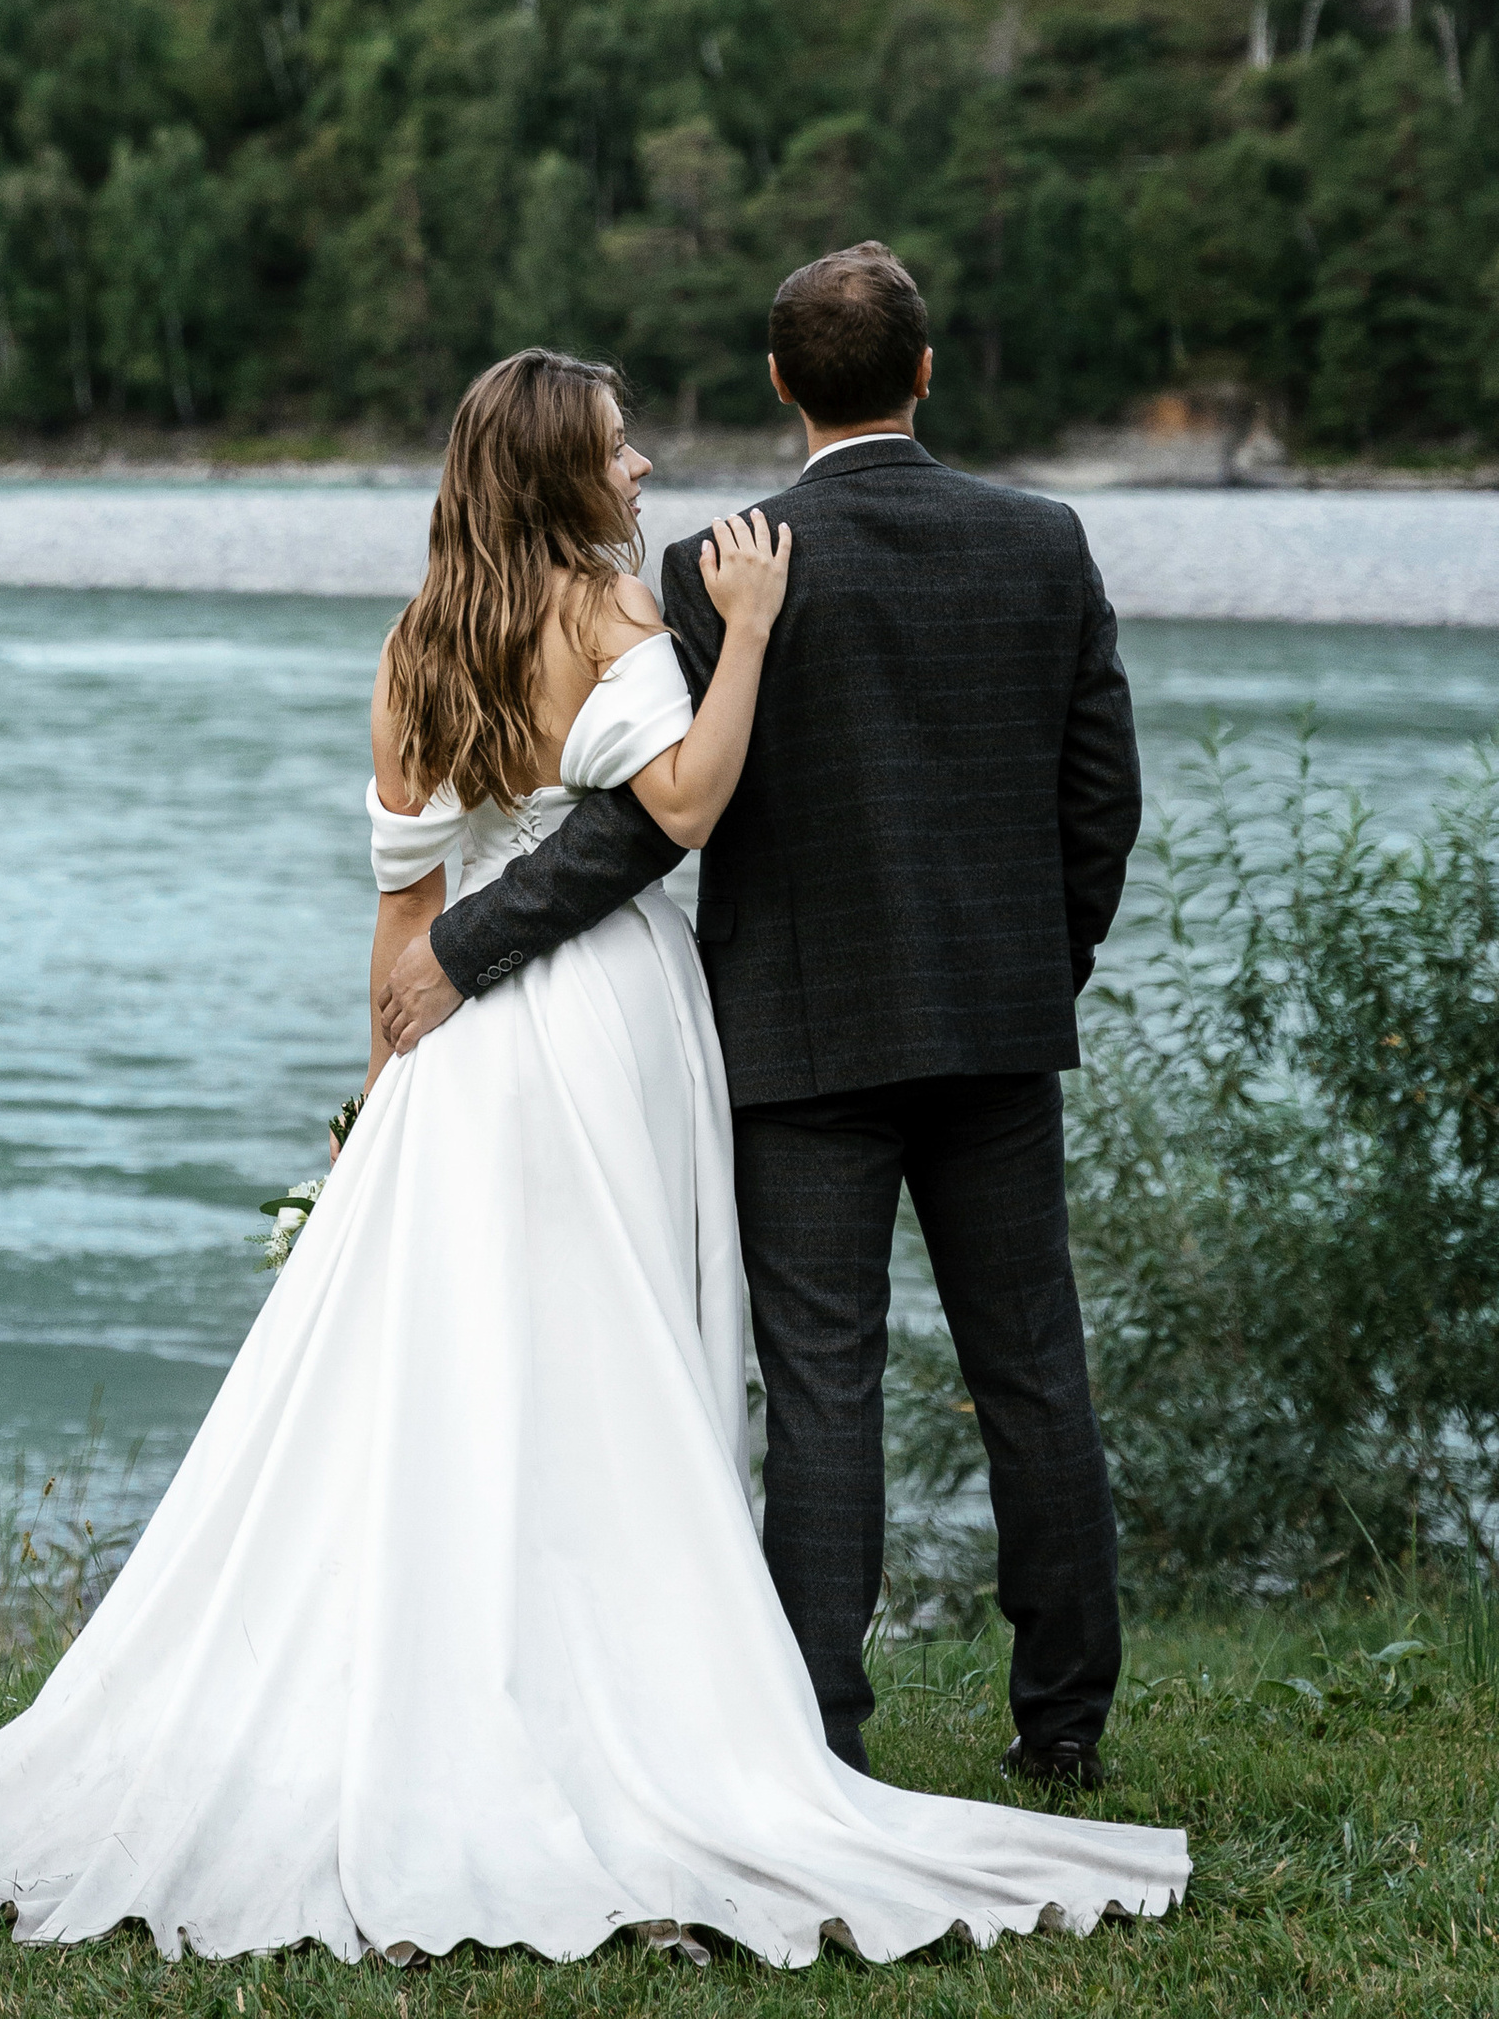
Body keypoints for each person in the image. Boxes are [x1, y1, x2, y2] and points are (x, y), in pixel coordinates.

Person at [0, 341, 1185, 1966]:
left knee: (480, 1382)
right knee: (660, 1376)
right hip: (617, 1033)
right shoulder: (643, 611)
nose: (646, 463)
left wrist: (374, 1101)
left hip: (462, 1058)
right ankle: (951, 1726)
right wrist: (744, 648)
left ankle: (568, 1698)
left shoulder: (414, 648)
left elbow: (400, 922)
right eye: (617, 443)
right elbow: (684, 806)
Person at [382, 244, 1143, 1791]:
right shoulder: (1046, 541)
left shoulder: (723, 561)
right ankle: (1062, 1730)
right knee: (1036, 1375)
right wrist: (1028, 981)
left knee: (821, 1386)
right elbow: (1099, 808)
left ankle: (825, 1737)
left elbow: (645, 828)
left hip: (798, 1047)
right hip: (998, 1035)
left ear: (783, 384)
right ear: (928, 371)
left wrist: (467, 941)